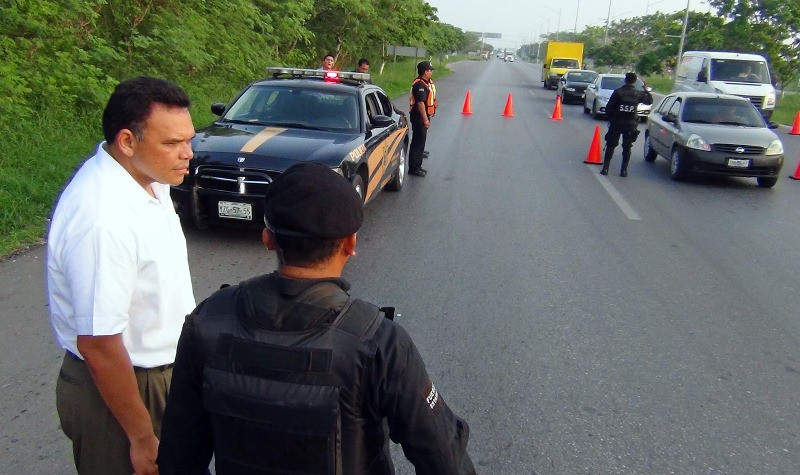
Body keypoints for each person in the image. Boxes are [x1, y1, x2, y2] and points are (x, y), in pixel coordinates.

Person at [157, 163, 476, 474]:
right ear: (350, 244)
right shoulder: (380, 343)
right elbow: (442, 457)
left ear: (267, 238)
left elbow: (178, 457)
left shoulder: (209, 320)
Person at [46, 76, 196, 474]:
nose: (187, 154)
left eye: (189, 140)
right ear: (127, 141)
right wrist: (142, 437)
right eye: (172, 143)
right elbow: (98, 342)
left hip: (161, 376)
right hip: (123, 390)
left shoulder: (149, 180)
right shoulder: (102, 216)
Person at [601, 72, 653, 177]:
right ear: (634, 82)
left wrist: (611, 118)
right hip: (630, 124)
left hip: (617, 122)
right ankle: (623, 171)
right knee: (627, 147)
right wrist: (646, 90)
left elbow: (609, 108)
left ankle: (605, 168)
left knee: (611, 145)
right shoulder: (638, 94)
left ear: (625, 80)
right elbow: (649, 101)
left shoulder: (618, 92)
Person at [408, 60, 437, 177]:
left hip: (422, 117)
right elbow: (420, 103)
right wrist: (425, 119)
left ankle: (418, 166)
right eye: (430, 70)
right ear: (425, 71)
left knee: (421, 142)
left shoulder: (425, 83)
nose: (431, 72)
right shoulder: (419, 84)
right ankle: (413, 168)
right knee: (417, 143)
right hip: (419, 117)